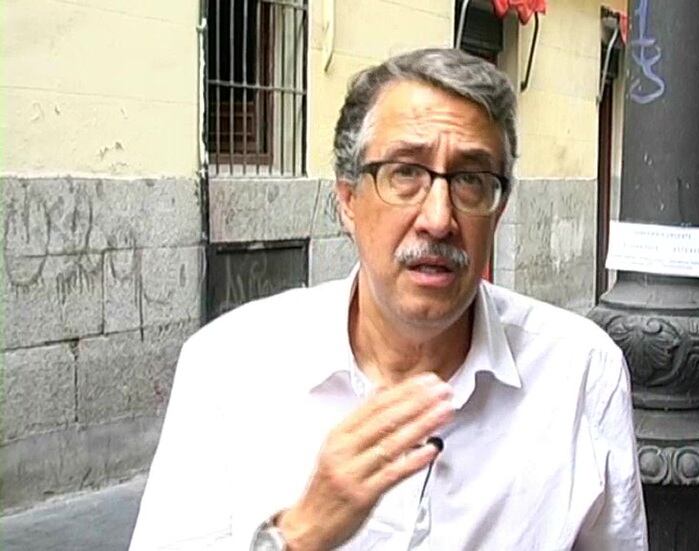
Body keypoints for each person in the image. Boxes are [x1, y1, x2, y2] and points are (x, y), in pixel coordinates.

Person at [129, 49, 646, 550]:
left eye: (470, 180)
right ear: (348, 200)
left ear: (499, 209)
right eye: (404, 173)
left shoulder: (579, 371)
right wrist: (297, 537)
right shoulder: (228, 365)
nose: (439, 219)